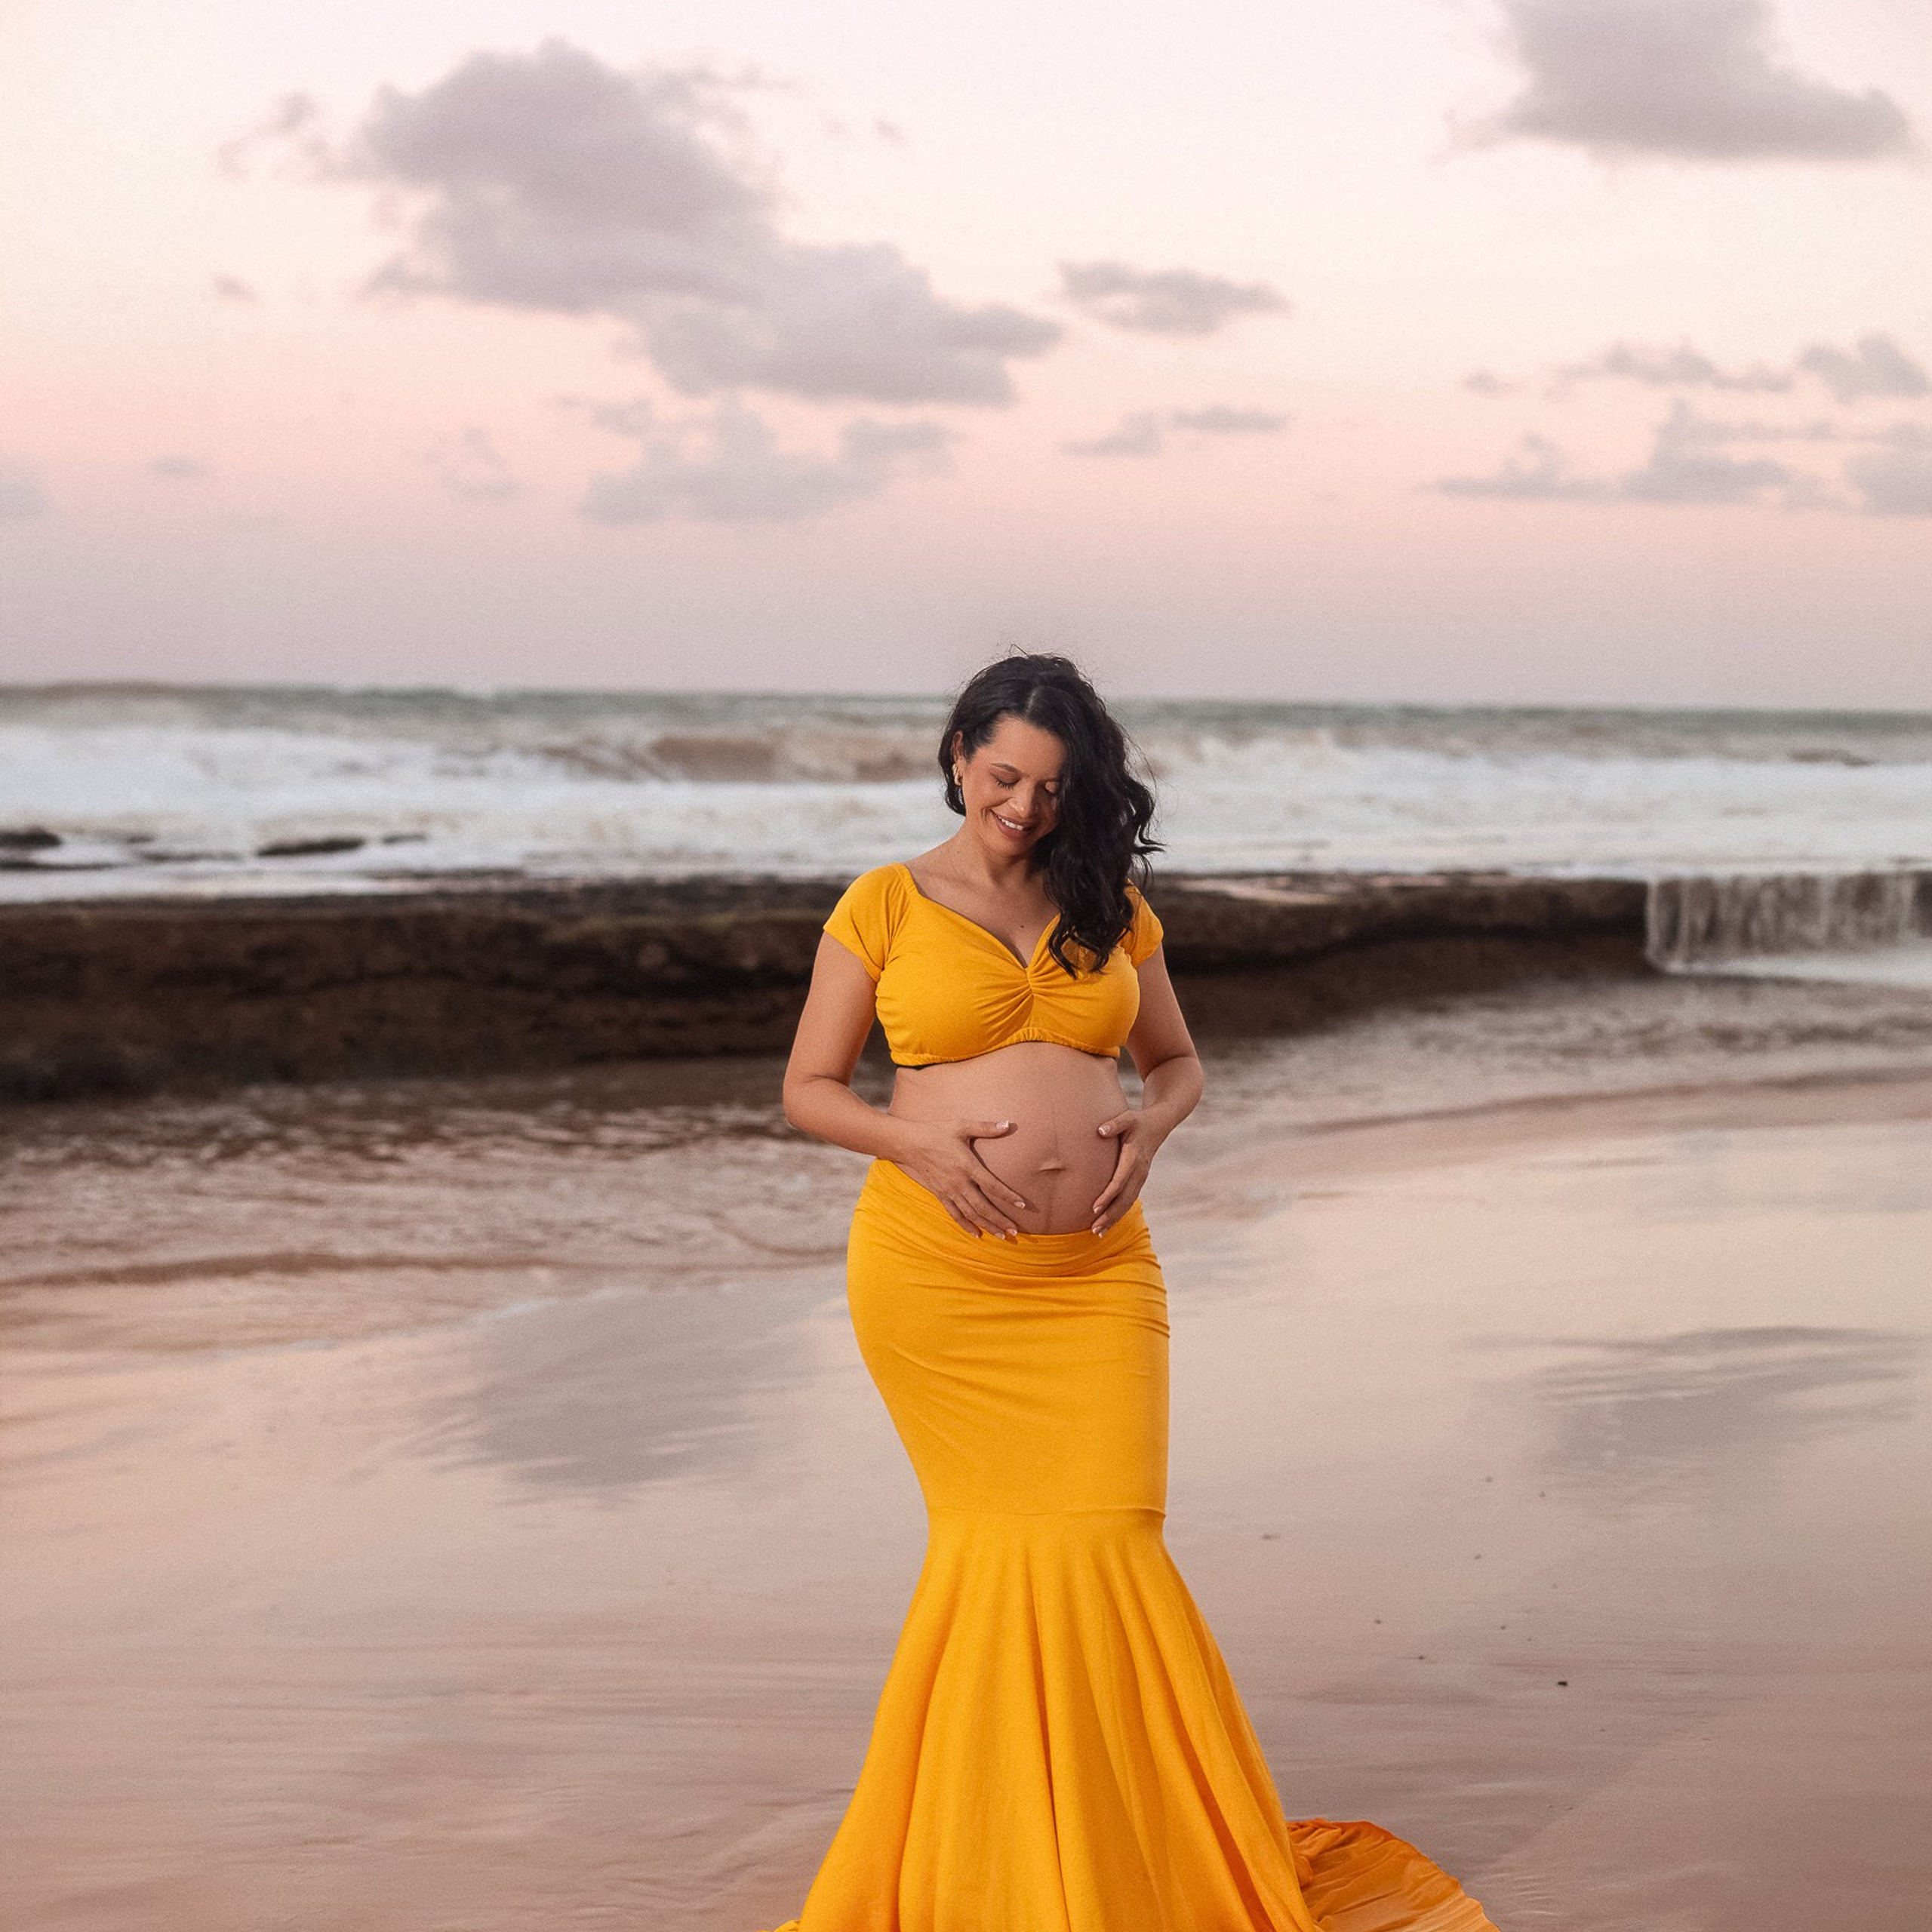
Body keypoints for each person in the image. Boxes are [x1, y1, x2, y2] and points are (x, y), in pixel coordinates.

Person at [766, 653, 1495, 1931]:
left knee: (1110, 1537)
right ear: (956, 761)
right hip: (939, 1277)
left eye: (1053, 786)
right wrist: (925, 1144)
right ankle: (1000, 1872)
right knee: (996, 1551)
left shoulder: (1115, 906)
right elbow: (810, 1088)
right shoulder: (881, 904)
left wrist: (1150, 1132)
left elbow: (1178, 1064)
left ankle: (1115, 1864)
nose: (1025, 807)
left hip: (1101, 1277)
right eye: (1004, 777)